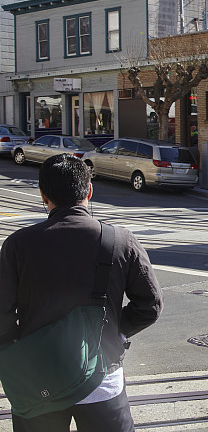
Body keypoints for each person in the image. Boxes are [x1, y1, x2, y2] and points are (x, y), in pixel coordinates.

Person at [0, 154, 163, 431]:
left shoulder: (17, 245)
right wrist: (113, 333)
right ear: (89, 191)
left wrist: (19, 349)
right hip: (103, 379)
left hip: (37, 379)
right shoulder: (120, 240)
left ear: (43, 196)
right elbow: (150, 305)